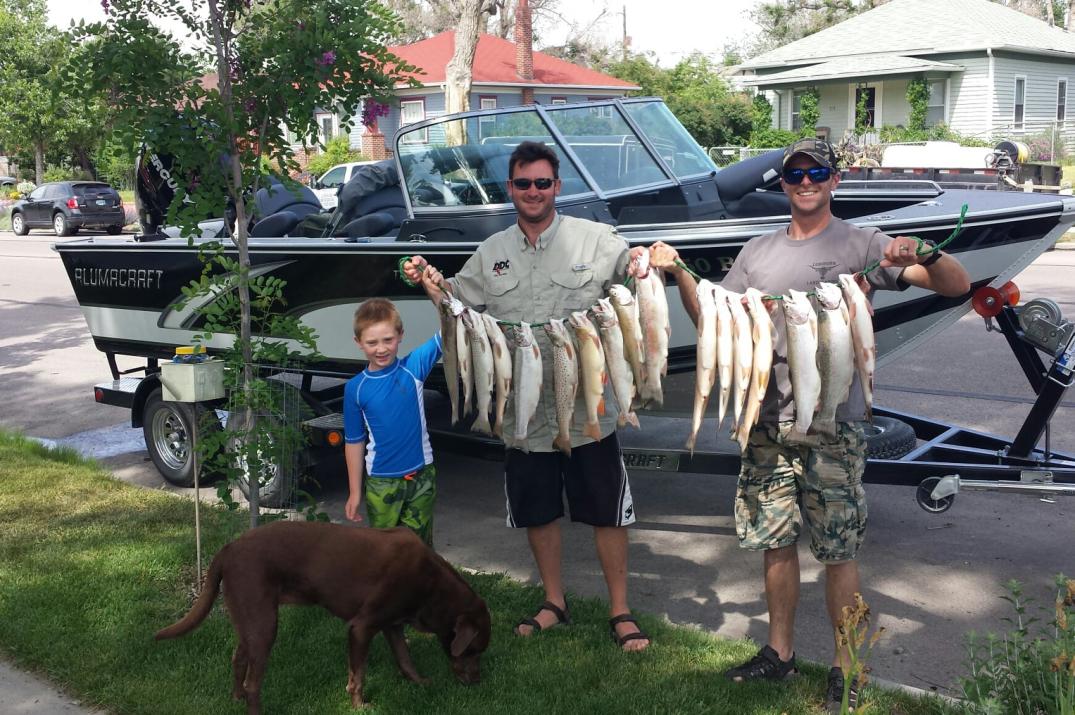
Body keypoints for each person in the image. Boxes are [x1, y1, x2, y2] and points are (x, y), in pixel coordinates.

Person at [651, 138, 971, 711]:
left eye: (817, 172)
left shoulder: (863, 243)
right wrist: (677, 273)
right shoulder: (756, 251)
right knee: (774, 544)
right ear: (783, 184)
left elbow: (956, 286)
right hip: (766, 419)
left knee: (838, 550)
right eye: (795, 174)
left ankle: (848, 670)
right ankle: (780, 653)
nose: (805, 182)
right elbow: (713, 319)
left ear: (834, 179)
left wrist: (926, 252)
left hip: (834, 423)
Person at [403, 141, 652, 652]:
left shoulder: (596, 239)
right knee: (537, 509)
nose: (533, 191)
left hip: (590, 408)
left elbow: (633, 271)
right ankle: (553, 602)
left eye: (543, 183)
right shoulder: (491, 252)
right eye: (523, 183)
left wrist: (650, 260)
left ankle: (620, 610)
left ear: (557, 187)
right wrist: (429, 282)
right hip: (521, 409)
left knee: (606, 510)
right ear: (510, 189)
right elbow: (457, 302)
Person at [343, 298, 442, 546]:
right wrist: (355, 492)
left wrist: (434, 289)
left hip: (422, 476)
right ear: (358, 343)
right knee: (385, 553)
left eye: (388, 340)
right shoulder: (355, 388)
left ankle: (420, 587)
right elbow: (354, 441)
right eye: (372, 342)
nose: (381, 349)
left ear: (400, 335)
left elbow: (448, 332)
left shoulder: (414, 368)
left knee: (419, 551)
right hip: (381, 483)